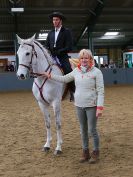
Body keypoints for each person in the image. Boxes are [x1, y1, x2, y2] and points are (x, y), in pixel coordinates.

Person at [42, 49, 104, 163]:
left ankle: (95, 152)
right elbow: (64, 79)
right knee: (83, 130)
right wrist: (50, 76)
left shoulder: (97, 72)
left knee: (92, 130)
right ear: (79, 60)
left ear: (90, 59)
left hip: (92, 105)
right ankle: (85, 152)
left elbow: (100, 91)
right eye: (82, 58)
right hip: (79, 105)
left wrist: (100, 107)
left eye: (86, 58)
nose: (84, 60)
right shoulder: (76, 71)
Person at [46, 11, 75, 101]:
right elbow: (47, 44)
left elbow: (69, 46)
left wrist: (59, 51)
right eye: (53, 20)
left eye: (57, 20)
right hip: (51, 56)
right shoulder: (50, 33)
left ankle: (72, 91)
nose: (54, 21)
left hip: (62, 56)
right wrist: (48, 50)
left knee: (68, 70)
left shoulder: (66, 32)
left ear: (61, 21)